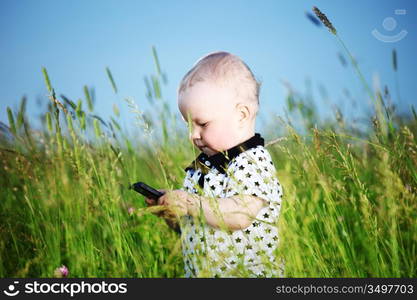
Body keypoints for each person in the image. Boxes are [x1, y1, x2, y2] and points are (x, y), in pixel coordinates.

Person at [145, 51, 284, 278]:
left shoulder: (252, 161)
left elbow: (240, 215)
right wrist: (173, 211)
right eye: (189, 125)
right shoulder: (201, 168)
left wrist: (189, 202)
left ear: (241, 115)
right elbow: (192, 225)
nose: (193, 135)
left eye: (202, 124)